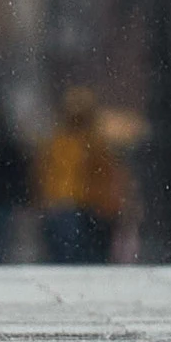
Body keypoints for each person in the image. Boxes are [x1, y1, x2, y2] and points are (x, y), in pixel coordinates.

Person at [32, 88, 123, 263]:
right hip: (72, 208)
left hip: (82, 208)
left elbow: (106, 177)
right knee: (77, 255)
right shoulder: (71, 143)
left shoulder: (90, 143)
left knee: (74, 255)